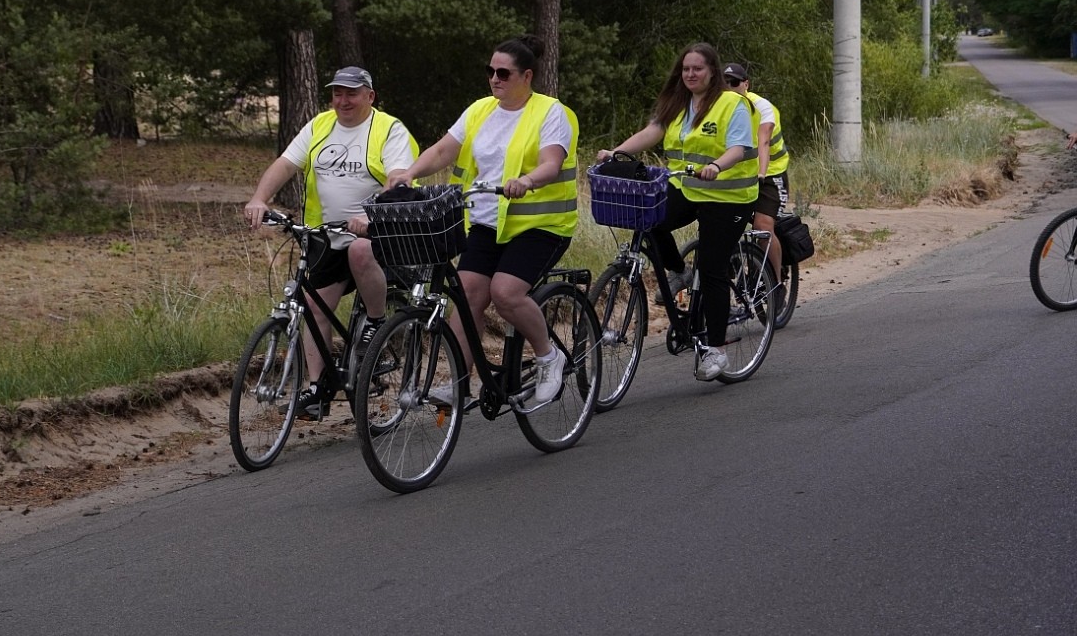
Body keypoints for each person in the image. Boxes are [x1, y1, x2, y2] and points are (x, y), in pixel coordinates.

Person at [388, 34, 579, 410]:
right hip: (487, 222)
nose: (495, 79)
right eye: (490, 71)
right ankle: (458, 381)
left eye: (503, 73)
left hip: (541, 225)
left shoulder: (550, 112)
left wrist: (527, 180)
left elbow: (551, 163)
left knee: (505, 294)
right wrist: (409, 173)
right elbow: (445, 149)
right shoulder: (480, 110)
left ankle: (548, 357)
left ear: (527, 76)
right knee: (468, 294)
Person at [244, 66, 417, 420]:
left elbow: (400, 180)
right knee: (313, 304)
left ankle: (375, 320)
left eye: (352, 93)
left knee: (359, 249)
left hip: (379, 235)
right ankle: (316, 387)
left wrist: (373, 217)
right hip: (326, 234)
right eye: (337, 93)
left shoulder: (389, 129)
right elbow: (285, 164)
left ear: (370, 96)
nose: (343, 100)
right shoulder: (320, 125)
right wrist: (260, 198)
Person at [597, 42, 758, 381]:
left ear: (712, 71)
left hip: (729, 197)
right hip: (688, 187)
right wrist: (616, 152)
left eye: (697, 68)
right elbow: (652, 132)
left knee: (713, 269)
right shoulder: (677, 102)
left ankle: (716, 351)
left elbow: (740, 147)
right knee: (648, 217)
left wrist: (717, 165)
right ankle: (678, 270)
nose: (690, 74)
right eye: (686, 69)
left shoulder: (732, 104)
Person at [723, 62, 792, 310]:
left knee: (763, 227)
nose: (729, 88)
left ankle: (775, 284)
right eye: (724, 83)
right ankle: (729, 268)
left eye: (735, 83)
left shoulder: (762, 106)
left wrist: (761, 172)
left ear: (746, 84)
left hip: (770, 175)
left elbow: (763, 141)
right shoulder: (717, 108)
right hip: (736, 176)